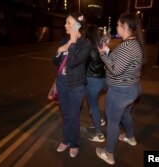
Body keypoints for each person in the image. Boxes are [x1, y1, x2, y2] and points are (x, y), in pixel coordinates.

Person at [96, 13, 144, 165]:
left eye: (118, 25)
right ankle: (130, 138)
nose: (116, 27)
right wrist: (109, 52)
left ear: (124, 27)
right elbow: (121, 62)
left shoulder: (127, 46)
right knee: (125, 115)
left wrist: (103, 54)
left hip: (120, 92)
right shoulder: (133, 43)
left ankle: (109, 154)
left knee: (113, 122)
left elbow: (115, 70)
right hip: (132, 89)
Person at [52, 11, 91, 158]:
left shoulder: (85, 44)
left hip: (76, 85)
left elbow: (73, 62)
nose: (65, 25)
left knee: (74, 117)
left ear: (77, 25)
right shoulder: (63, 40)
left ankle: (74, 143)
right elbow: (55, 62)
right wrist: (59, 50)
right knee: (66, 116)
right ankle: (66, 140)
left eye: (68, 23)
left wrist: (73, 43)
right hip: (62, 83)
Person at [84, 25, 107, 142]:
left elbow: (83, 65)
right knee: (94, 104)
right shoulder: (102, 47)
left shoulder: (90, 48)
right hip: (103, 81)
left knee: (93, 107)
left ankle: (99, 134)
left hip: (93, 81)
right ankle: (98, 121)